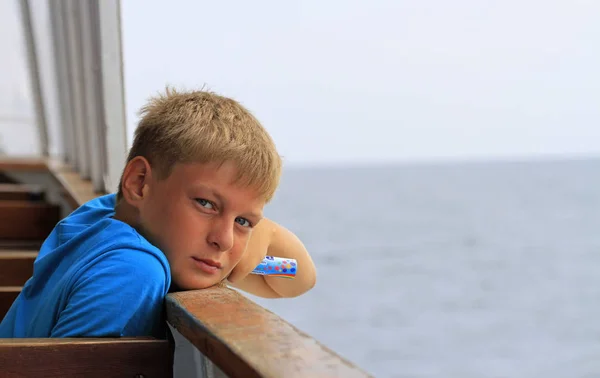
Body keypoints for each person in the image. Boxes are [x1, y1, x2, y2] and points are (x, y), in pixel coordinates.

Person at [0, 88, 316, 338]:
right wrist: (243, 224)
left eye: (243, 221)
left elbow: (297, 276)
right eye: (206, 204)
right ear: (139, 183)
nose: (223, 239)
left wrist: (265, 232)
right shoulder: (132, 271)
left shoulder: (97, 216)